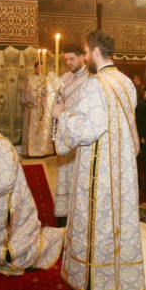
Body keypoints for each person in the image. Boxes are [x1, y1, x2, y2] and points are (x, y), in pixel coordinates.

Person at [52, 30, 145, 290]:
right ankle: (119, 278)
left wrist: (62, 114)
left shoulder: (96, 84)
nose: (84, 58)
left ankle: (94, 282)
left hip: (99, 165)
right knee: (117, 221)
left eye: (84, 52)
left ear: (94, 51)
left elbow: (86, 130)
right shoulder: (125, 81)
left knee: (95, 218)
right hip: (122, 166)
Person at [0, 123, 64, 275]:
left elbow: (0, 183)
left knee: (9, 251)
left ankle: (60, 237)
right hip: (0, 201)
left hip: (8, 204)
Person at [54, 43, 89, 227]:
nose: (68, 62)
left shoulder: (91, 79)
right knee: (64, 175)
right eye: (66, 59)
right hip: (65, 132)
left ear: (82, 57)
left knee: (79, 177)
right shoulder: (64, 78)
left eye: (72, 59)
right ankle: (64, 215)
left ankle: (79, 216)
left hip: (81, 135)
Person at [21, 60, 49, 157]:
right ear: (35, 68)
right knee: (32, 129)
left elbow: (47, 93)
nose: (40, 70)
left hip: (43, 109)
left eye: (42, 68)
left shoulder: (45, 79)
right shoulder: (30, 78)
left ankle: (42, 151)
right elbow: (27, 92)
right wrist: (33, 100)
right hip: (33, 108)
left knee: (42, 129)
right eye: (38, 68)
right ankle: (31, 151)